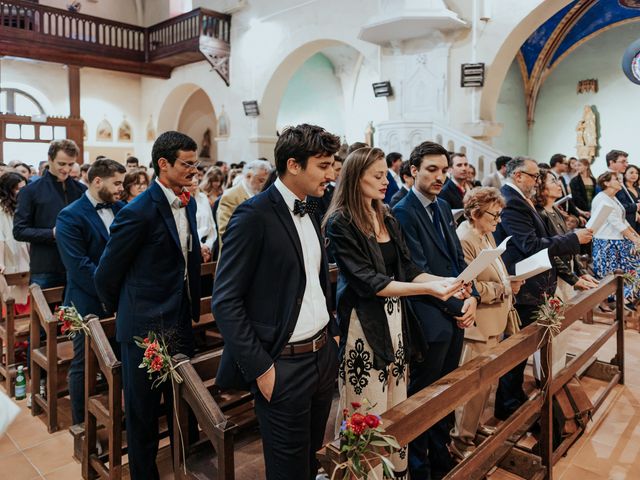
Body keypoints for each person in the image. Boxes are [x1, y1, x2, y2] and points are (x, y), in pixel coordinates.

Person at [325, 146, 464, 478]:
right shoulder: (340, 222)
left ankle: (395, 473)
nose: (385, 180)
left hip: (396, 322)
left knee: (396, 408)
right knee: (367, 410)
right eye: (376, 175)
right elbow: (370, 282)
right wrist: (430, 288)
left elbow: (409, 268)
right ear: (355, 178)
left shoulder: (385, 214)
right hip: (365, 326)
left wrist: (449, 281)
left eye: (385, 173)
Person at [212, 124, 341, 480]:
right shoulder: (253, 215)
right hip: (282, 365)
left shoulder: (311, 207)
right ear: (294, 165)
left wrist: (332, 336)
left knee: (311, 460)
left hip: (320, 357)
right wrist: (261, 369)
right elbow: (225, 301)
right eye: (324, 165)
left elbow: (315, 280)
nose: (331, 174)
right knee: (287, 470)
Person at [95, 132, 202, 480]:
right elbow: (107, 272)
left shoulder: (191, 202)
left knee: (180, 404)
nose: (193, 170)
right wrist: (128, 312)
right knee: (142, 413)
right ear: (163, 164)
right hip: (144, 326)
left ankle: (184, 467)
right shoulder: (137, 212)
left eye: (195, 163)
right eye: (187, 164)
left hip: (180, 317)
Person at [393, 141, 479, 479]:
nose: (440, 176)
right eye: (431, 169)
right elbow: (415, 269)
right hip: (428, 316)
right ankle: (418, 465)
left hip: (454, 311)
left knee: (447, 393)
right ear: (413, 170)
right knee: (424, 397)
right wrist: (461, 301)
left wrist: (471, 295)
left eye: (443, 170)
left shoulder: (443, 206)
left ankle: (441, 454)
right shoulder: (402, 211)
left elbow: (457, 260)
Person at [493, 157, 591, 420]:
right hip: (523, 283)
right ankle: (507, 402)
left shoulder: (520, 199)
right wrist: (573, 239)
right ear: (518, 176)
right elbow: (529, 245)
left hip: (536, 282)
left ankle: (512, 396)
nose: (537, 181)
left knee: (525, 345)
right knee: (517, 347)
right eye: (534, 176)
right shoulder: (511, 201)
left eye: (538, 177)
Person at [449, 187, 522, 460]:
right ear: (475, 212)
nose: (498, 220)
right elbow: (467, 283)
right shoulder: (465, 238)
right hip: (477, 324)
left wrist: (508, 281)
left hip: (494, 320)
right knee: (472, 387)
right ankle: (460, 440)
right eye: (494, 214)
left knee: (486, 384)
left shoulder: (486, 233)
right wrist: (501, 290)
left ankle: (475, 427)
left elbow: (496, 270)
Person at [56, 158, 126, 425]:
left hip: (119, 298)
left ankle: (119, 416)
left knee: (119, 359)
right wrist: (112, 291)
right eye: (116, 183)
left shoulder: (121, 208)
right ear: (98, 181)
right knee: (84, 365)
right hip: (86, 301)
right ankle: (82, 426)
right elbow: (79, 267)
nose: (121, 188)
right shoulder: (70, 215)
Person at [13, 139, 86, 288]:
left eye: (71, 164)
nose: (66, 169)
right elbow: (19, 231)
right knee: (44, 310)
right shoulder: (30, 191)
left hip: (76, 264)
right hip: (45, 267)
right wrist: (51, 233)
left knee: (77, 312)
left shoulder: (81, 190)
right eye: (61, 164)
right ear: (50, 159)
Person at [534, 170, 598, 300]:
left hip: (567, 271)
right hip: (553, 275)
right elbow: (549, 252)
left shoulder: (556, 210)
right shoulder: (539, 214)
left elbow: (568, 245)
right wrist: (572, 278)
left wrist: (581, 272)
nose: (559, 184)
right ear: (540, 187)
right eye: (553, 181)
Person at [591, 172, 640, 303]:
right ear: (606, 183)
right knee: (610, 276)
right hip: (606, 242)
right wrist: (635, 239)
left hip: (618, 241)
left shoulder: (613, 198)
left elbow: (623, 220)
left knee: (634, 267)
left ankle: (627, 297)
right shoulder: (602, 198)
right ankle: (622, 299)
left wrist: (636, 235)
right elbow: (615, 222)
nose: (620, 181)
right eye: (616, 179)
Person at [216, 159, 271, 242]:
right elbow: (225, 231)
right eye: (261, 180)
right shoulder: (230, 196)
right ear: (248, 176)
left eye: (265, 181)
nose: (263, 185)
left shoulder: (262, 195)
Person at [0, 172, 30, 313]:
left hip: (27, 261)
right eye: (18, 189)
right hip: (9, 261)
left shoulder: (25, 207)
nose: (21, 193)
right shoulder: (1, 210)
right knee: (11, 302)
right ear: (7, 190)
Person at [187, 175, 216, 262]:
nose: (195, 180)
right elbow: (187, 230)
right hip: (192, 246)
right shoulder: (182, 200)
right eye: (191, 177)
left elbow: (212, 225)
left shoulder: (203, 197)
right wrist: (200, 246)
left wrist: (208, 245)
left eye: (196, 177)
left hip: (207, 246)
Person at [621, 165, 640, 233]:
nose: (634, 175)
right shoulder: (621, 189)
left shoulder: (638, 189)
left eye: (636, 173)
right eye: (631, 172)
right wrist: (636, 207)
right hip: (628, 224)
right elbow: (621, 206)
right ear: (624, 174)